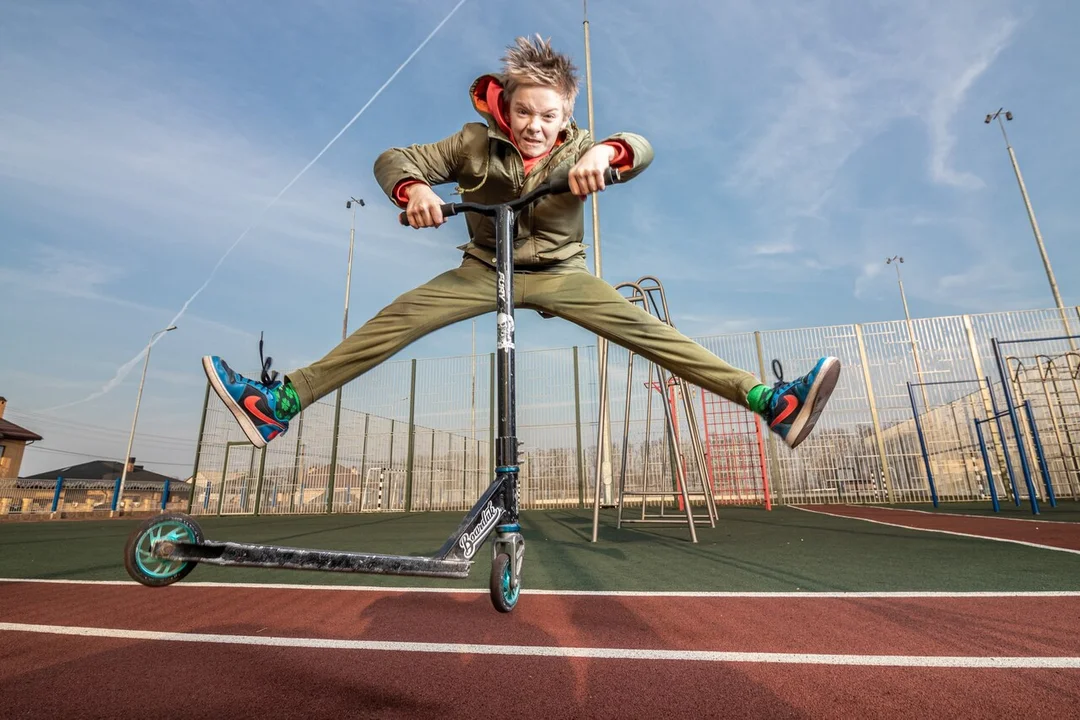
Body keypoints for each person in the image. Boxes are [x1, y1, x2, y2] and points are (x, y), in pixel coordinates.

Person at [202, 35, 840, 455]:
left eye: (550, 116)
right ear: (506, 106)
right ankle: (277, 403)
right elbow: (393, 157)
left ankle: (770, 403)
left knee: (650, 333)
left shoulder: (580, 144)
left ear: (567, 116)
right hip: (484, 268)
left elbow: (639, 147)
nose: (536, 126)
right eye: (525, 112)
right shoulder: (471, 144)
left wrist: (605, 154)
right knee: (389, 324)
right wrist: (413, 193)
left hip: (560, 272)